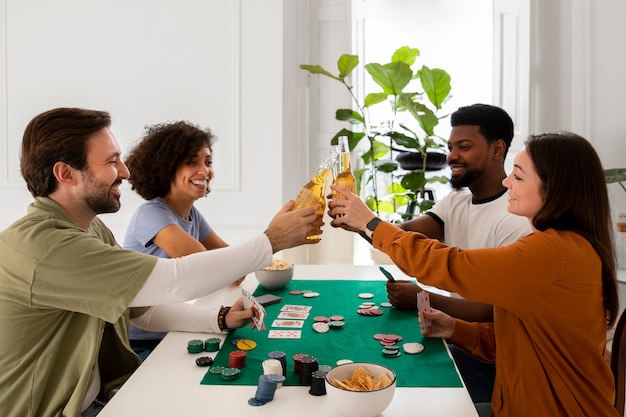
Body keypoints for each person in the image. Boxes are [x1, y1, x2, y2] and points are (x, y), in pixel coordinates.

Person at [0, 107, 320, 417]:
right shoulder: (45, 247)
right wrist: (272, 240)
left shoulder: (89, 229)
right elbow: (175, 278)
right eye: (112, 161)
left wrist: (218, 318)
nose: (125, 172)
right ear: (65, 173)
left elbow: (142, 310)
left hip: (101, 397)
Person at [328, 131, 620, 416]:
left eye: (518, 176)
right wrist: (455, 329)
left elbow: (451, 265)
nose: (507, 181)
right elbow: (518, 346)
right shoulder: (562, 247)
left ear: (555, 188)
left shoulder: (551, 253)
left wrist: (372, 223)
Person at [385, 104, 533, 409]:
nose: (452, 155)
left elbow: (496, 310)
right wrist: (357, 218)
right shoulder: (455, 202)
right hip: (463, 338)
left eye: (464, 147)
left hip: (497, 359)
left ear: (497, 149)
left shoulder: (515, 217)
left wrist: (424, 298)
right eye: (451, 147)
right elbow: (402, 237)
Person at [122, 121, 246, 360]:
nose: (205, 171)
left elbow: (233, 267)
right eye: (192, 162)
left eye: (208, 162)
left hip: (172, 328)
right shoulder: (150, 214)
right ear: (166, 168)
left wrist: (235, 265)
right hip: (141, 341)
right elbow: (207, 268)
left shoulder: (192, 216)